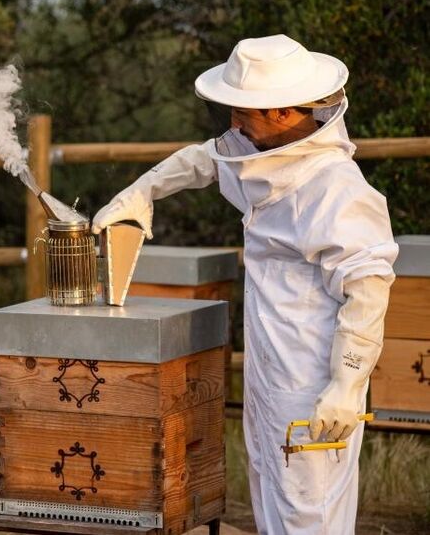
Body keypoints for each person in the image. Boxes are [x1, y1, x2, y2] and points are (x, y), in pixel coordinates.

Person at [92, 34, 397, 534]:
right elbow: (204, 160)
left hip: (312, 387)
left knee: (309, 511)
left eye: (243, 110)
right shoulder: (260, 152)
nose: (233, 120)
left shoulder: (338, 190)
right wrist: (142, 191)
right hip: (270, 376)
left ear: (281, 112)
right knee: (270, 493)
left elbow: (368, 287)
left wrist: (347, 383)